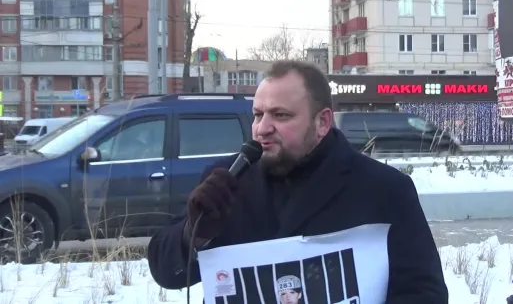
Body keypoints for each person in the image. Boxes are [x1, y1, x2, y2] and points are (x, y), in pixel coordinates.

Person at [147, 60, 449, 303]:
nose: (262, 128)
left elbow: (424, 291)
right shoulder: (226, 182)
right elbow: (166, 273)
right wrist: (194, 235)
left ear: (322, 122)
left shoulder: (383, 188)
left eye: (280, 115)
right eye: (257, 114)